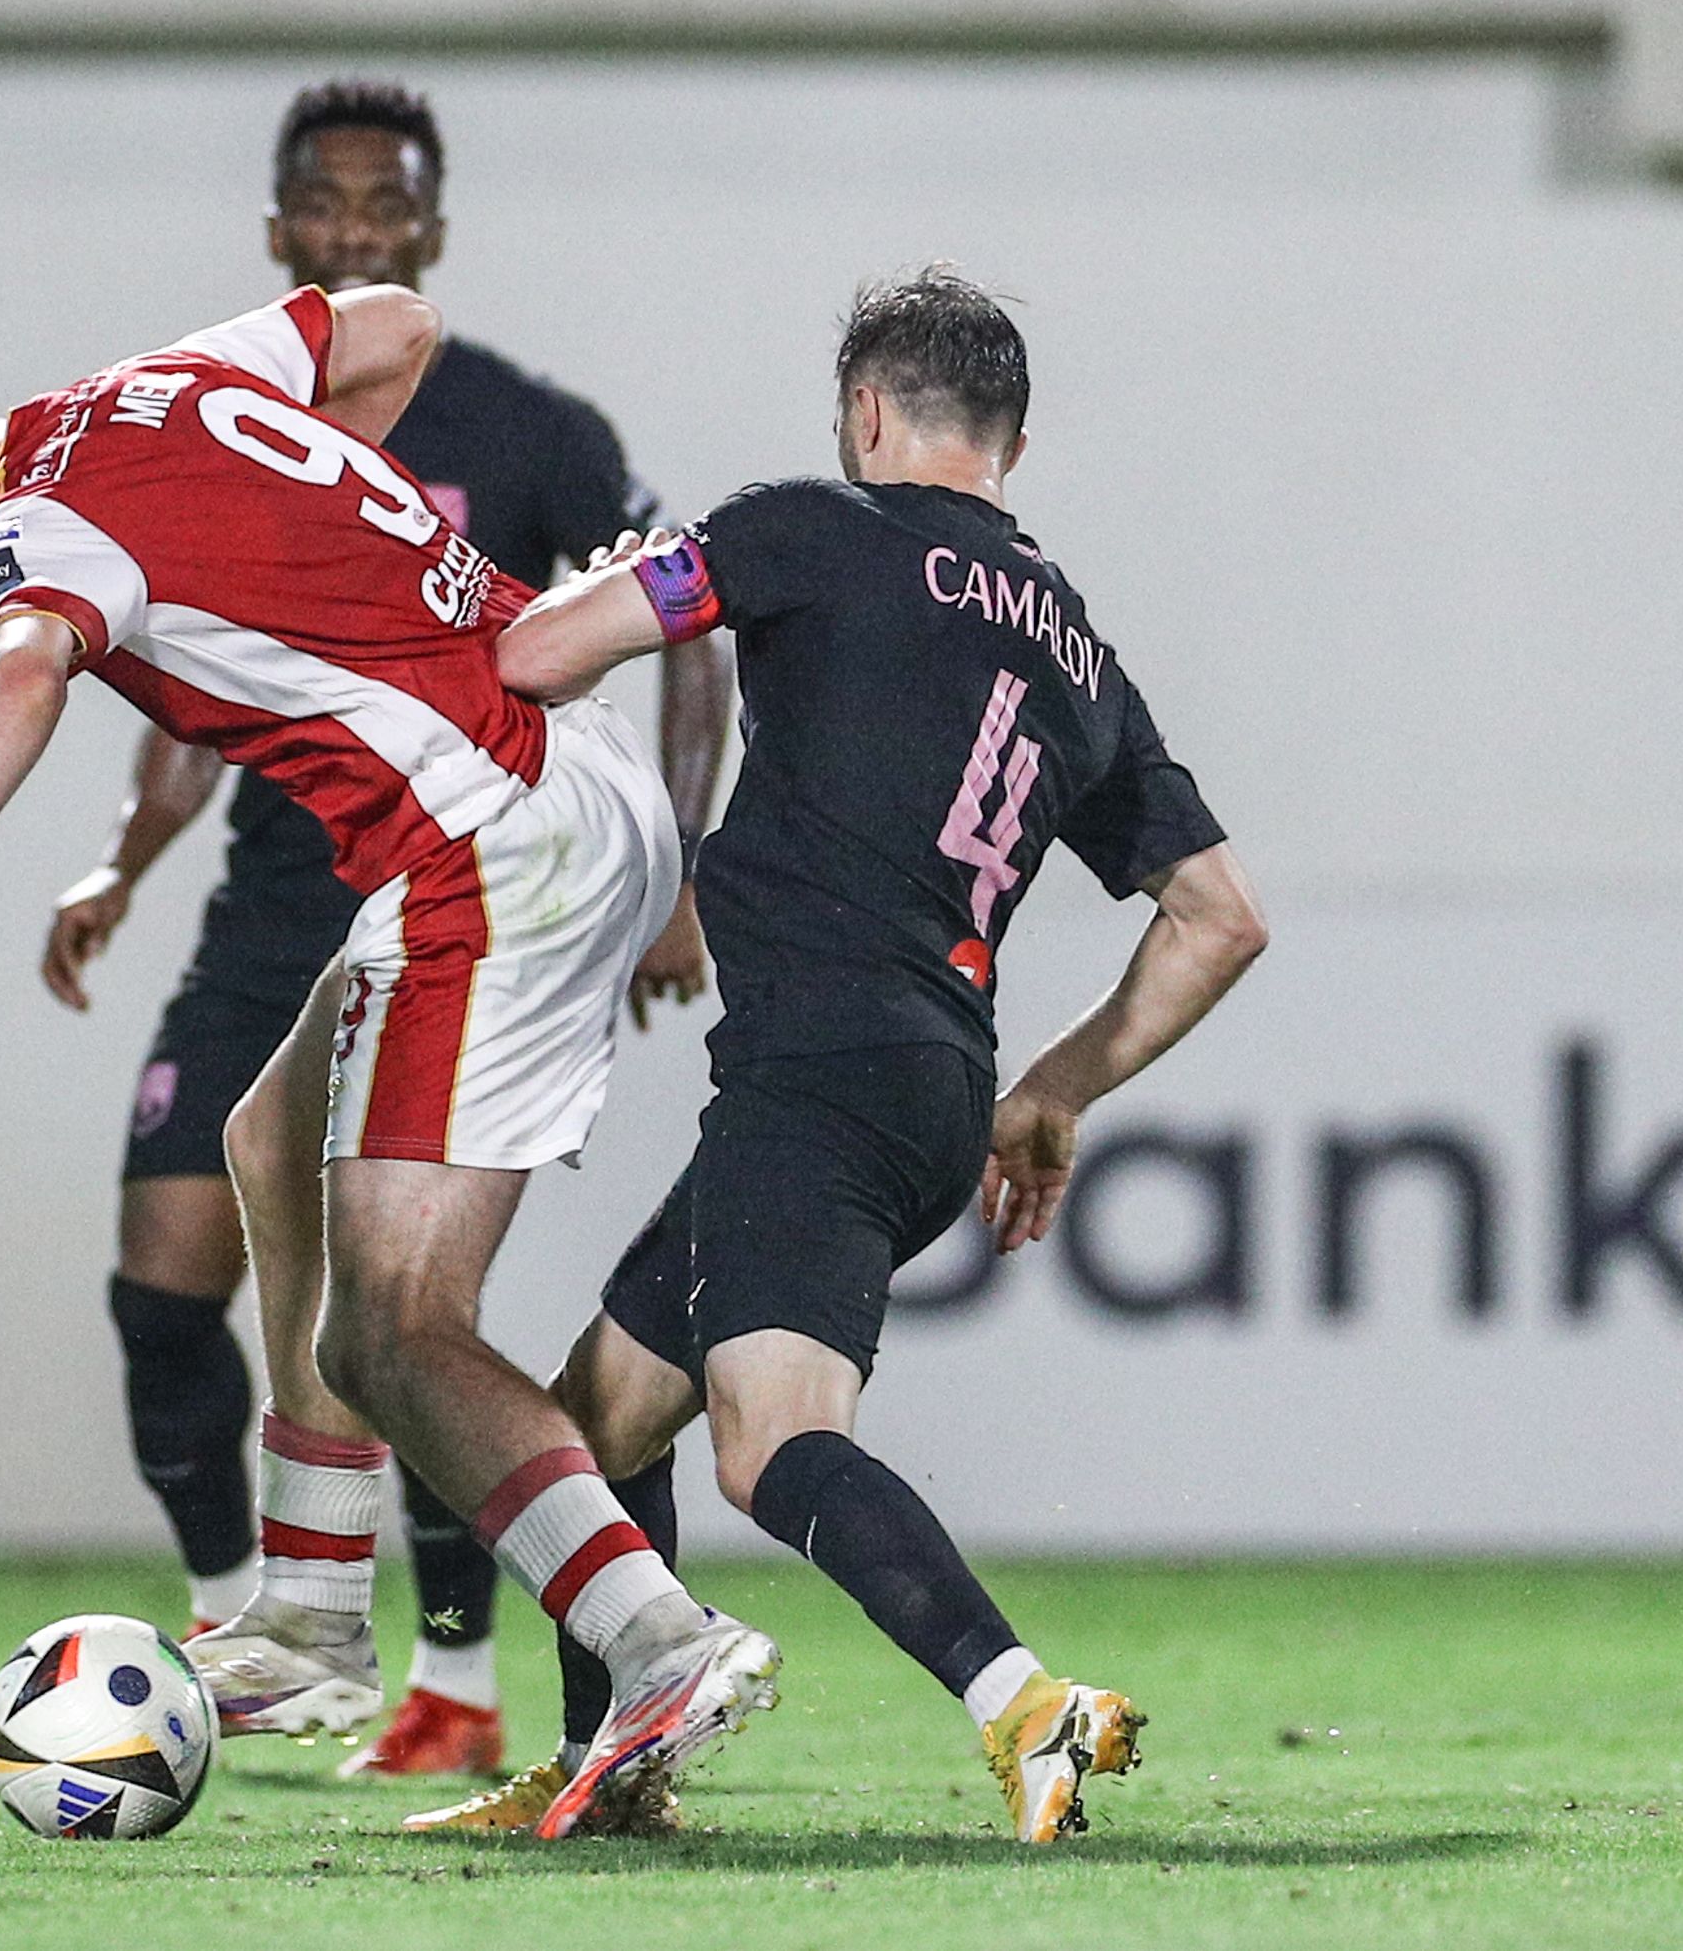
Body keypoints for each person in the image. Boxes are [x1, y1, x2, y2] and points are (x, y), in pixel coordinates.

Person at [0, 278, 777, 1845]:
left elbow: (17, 675)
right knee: (266, 1135)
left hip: (487, 837)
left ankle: (658, 1641)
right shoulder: (157, 384)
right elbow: (396, 325)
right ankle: (308, 1609)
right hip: (559, 764)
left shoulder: (28, 531)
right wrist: (335, 551)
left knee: (394, 1330)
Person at [417, 266, 1265, 1844]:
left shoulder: (810, 528)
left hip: (813, 1070)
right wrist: (1056, 1090)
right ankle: (617, 1771)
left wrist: (601, 583)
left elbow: (540, 656)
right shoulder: (1077, 655)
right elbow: (1219, 915)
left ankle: (1024, 1699)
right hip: (936, 1083)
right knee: (592, 1427)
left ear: (866, 412)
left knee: (773, 1443)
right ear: (1013, 435)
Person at [36, 81, 729, 1779]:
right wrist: (126, 858)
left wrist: (688, 863)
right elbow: (179, 666)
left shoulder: (530, 430)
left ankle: (477, 1658)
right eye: (322, 204)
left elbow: (688, 621)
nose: (352, 227)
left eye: (383, 203)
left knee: (394, 1309)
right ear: (280, 230)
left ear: (429, 227)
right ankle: (276, 1608)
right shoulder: (226, 414)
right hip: (289, 884)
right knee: (190, 1247)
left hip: (463, 864)